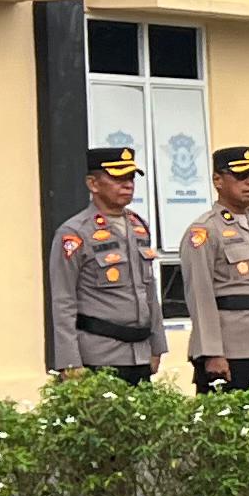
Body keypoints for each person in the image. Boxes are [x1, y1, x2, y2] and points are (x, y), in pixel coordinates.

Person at [45, 147, 164, 380]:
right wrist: (69, 360)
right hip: (98, 355)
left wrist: (157, 345)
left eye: (130, 178)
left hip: (139, 353)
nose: (127, 185)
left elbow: (150, 290)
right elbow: (63, 300)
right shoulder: (75, 232)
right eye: (118, 178)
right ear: (93, 184)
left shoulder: (139, 226)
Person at [182, 148, 249, 390]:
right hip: (232, 350)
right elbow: (200, 295)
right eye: (241, 176)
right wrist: (212, 352)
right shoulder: (205, 230)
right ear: (218, 180)